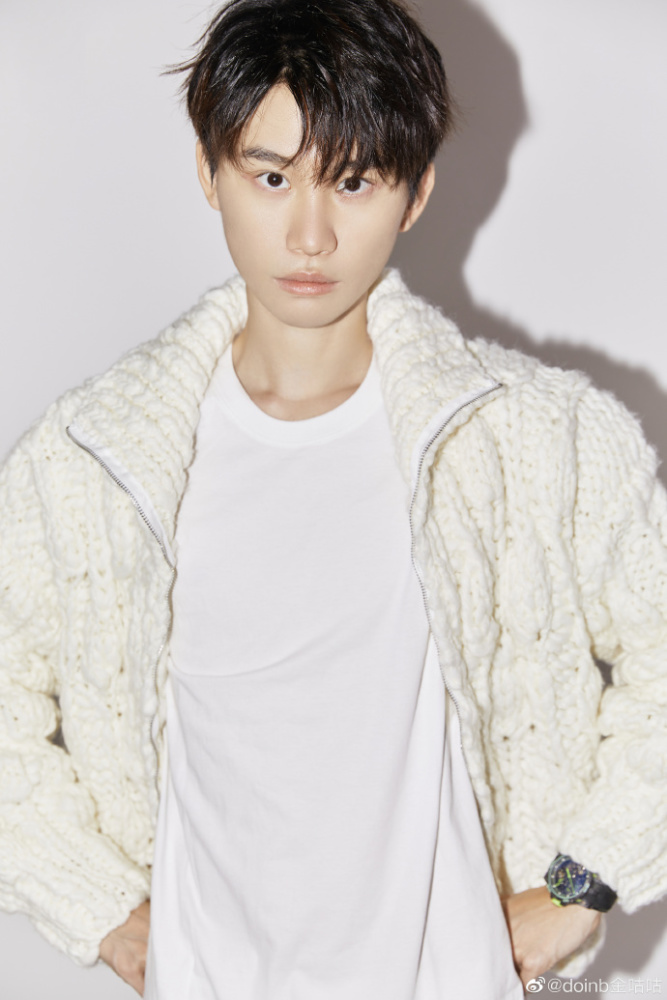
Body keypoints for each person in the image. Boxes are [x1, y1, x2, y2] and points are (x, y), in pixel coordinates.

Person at [0, 0, 665, 996]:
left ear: (415, 191)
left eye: (352, 181)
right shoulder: (94, 458)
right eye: (271, 177)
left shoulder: (537, 439)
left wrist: (577, 888)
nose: (308, 235)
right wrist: (99, 907)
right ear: (208, 173)